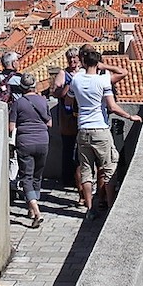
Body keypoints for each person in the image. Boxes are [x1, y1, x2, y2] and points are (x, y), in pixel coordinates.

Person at [70, 48, 140, 219]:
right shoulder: (103, 81)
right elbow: (112, 106)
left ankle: (89, 209)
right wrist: (130, 116)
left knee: (86, 171)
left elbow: (69, 97)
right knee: (109, 168)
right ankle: (109, 206)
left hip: (83, 129)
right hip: (100, 129)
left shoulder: (76, 79)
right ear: (98, 63)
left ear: (84, 62)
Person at [9, 72, 51, 228]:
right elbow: (50, 122)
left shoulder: (18, 103)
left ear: (21, 87)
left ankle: (36, 211)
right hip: (43, 141)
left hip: (25, 142)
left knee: (26, 177)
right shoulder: (42, 100)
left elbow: (11, 127)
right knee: (37, 176)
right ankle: (32, 209)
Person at [52, 48, 82, 190]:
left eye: (74, 58)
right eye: (70, 59)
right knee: (68, 148)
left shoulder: (83, 73)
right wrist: (67, 90)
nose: (72, 61)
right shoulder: (63, 74)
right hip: (67, 117)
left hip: (82, 116)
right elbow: (55, 92)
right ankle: (68, 178)